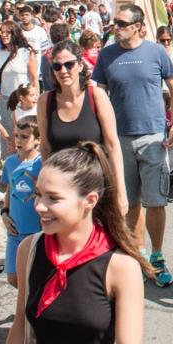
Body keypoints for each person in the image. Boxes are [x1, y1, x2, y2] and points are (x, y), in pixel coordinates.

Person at [4, 143, 149, 344]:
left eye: (53, 198)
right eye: (38, 194)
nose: (39, 206)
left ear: (89, 201)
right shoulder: (30, 249)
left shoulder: (121, 267)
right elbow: (19, 326)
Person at [91, 4, 173, 287]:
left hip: (154, 137)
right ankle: (135, 256)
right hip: (119, 142)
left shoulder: (156, 52)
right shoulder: (106, 56)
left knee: (156, 202)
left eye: (121, 23)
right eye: (114, 22)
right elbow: (98, 95)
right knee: (128, 205)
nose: (115, 27)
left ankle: (157, 256)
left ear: (138, 26)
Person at [38, 40, 128, 218]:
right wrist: (44, 190)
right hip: (61, 191)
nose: (63, 70)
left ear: (80, 65)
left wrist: (120, 191)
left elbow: (112, 145)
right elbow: (45, 148)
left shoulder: (96, 96)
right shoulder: (45, 101)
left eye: (69, 64)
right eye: (57, 66)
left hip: (95, 188)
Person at [0, 116, 42, 287]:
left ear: (38, 140)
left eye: (25, 137)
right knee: (14, 278)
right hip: (15, 232)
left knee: (34, 278)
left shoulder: (42, 163)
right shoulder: (10, 163)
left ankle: (28, 312)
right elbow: (9, 190)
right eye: (17, 135)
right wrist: (4, 213)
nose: (18, 140)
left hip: (38, 232)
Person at [0, 21, 39, 145]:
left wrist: (35, 100)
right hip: (5, 99)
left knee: (26, 134)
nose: (4, 35)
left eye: (7, 32)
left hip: (23, 100)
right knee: (9, 135)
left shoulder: (26, 52)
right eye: (2, 32)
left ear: (14, 34)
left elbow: (34, 79)